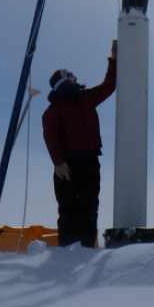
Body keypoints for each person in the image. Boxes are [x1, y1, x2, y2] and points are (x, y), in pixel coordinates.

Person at [42, 41, 118, 248]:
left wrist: (114, 60)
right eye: (71, 76)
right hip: (66, 167)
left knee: (89, 207)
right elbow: (51, 138)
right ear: (63, 82)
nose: (75, 77)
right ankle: (66, 253)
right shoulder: (53, 111)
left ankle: (85, 250)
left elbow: (109, 86)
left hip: (90, 162)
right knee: (68, 210)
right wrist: (58, 163)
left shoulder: (86, 98)